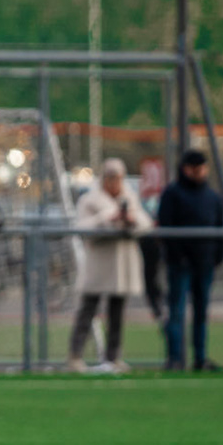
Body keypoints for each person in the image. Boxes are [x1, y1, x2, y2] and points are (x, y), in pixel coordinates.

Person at [66, 158, 151, 374]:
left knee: (117, 315)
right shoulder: (89, 200)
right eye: (111, 177)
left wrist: (130, 221)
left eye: (118, 178)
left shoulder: (129, 197)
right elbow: (82, 228)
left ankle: (113, 357)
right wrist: (107, 218)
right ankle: (75, 356)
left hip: (122, 266)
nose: (115, 182)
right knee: (87, 311)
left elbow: (146, 223)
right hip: (98, 264)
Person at [156, 149, 223, 371]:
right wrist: (178, 256)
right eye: (195, 168)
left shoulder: (212, 196)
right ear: (186, 169)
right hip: (180, 265)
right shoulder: (173, 193)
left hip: (204, 264)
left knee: (201, 312)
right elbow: (165, 228)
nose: (199, 173)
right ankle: (175, 358)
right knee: (176, 311)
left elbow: (219, 229)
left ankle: (200, 358)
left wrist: (216, 257)